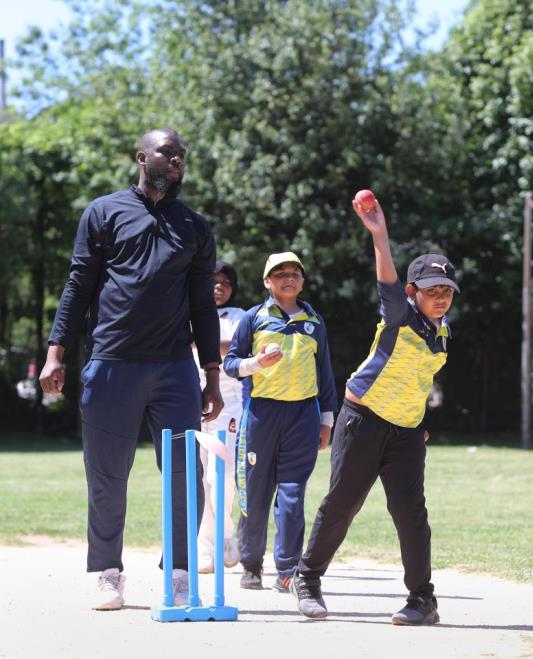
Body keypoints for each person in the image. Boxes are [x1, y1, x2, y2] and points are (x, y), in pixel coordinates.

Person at [38, 127, 223, 611]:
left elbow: (204, 307)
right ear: (143, 158)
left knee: (184, 471)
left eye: (182, 154)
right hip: (111, 363)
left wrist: (213, 374)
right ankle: (108, 572)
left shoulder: (196, 227)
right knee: (106, 474)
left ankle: (181, 574)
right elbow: (79, 285)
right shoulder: (103, 212)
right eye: (168, 152)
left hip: (174, 369)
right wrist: (57, 352)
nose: (178, 160)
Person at [290, 195, 460, 625]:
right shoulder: (400, 313)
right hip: (362, 420)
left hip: (404, 432)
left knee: (410, 514)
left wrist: (418, 422)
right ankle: (307, 578)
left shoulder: (443, 332)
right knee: (343, 503)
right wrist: (379, 234)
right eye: (431, 291)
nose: (440, 299)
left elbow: (420, 380)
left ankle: (423, 599)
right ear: (412, 292)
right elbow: (385, 275)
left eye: (447, 292)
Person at [223, 252, 337, 593]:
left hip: (303, 415)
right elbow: (230, 364)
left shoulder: (314, 319)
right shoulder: (254, 318)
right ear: (266, 282)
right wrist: (256, 363)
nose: (288, 278)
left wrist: (326, 420)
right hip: (261, 414)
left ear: (302, 280)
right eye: (279, 273)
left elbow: (325, 374)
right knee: (255, 493)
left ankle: (287, 569)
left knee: (292, 494)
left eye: (294, 273)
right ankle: (251, 564)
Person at [193, 260, 245, 574]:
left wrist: (201, 343)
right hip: (192, 402)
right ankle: (204, 546)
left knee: (221, 477)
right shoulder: (189, 312)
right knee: (199, 479)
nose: (219, 286)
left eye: (225, 282)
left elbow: (234, 348)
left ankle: (226, 537)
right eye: (213, 281)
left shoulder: (239, 317)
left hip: (230, 405)